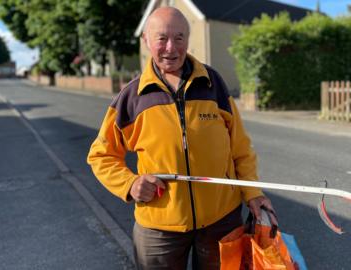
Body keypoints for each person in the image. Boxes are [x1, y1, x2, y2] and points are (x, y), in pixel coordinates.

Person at [87, 7, 274, 269]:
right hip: (159, 230)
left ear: (188, 38)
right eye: (161, 38)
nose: (171, 47)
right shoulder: (131, 98)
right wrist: (129, 184)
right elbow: (101, 155)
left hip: (222, 222)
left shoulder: (213, 84)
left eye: (179, 37)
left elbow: (240, 148)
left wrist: (252, 193)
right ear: (146, 41)